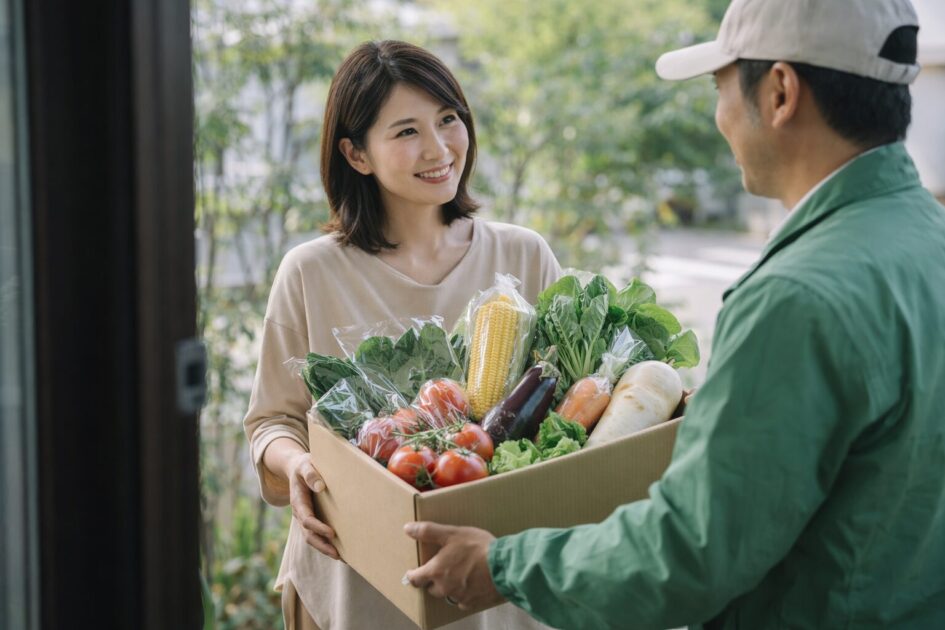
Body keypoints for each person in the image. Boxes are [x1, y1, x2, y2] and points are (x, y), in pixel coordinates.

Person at [404, 0, 945, 627]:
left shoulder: (795, 298)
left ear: (780, 92)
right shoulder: (928, 237)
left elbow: (691, 553)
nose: (719, 117)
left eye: (719, 87)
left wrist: (504, 566)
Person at [242, 40, 561, 629]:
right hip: (355, 570)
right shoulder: (310, 271)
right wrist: (298, 467)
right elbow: (271, 422)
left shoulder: (523, 255)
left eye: (448, 119)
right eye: (407, 131)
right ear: (356, 154)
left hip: (491, 576)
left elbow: (565, 402)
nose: (439, 148)